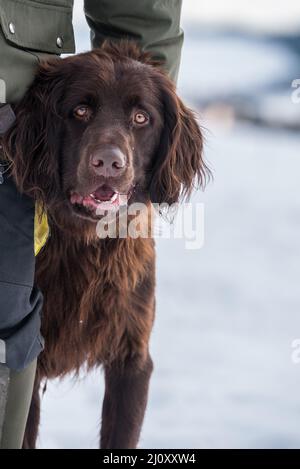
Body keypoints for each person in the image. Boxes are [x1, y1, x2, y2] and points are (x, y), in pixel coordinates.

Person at [0, 0, 183, 449]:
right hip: (22, 156)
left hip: (18, 134)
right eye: (82, 112)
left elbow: (131, 364)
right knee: (15, 344)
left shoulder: (132, 224)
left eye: (139, 119)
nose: (109, 152)